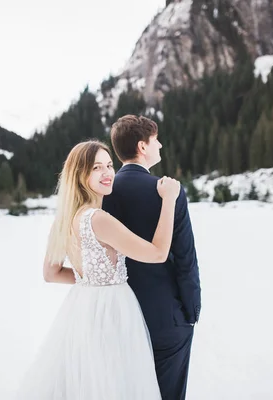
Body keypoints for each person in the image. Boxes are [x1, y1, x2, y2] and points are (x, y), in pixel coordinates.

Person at [18, 140, 181, 399]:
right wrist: (170, 199)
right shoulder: (98, 219)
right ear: (81, 175)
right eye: (97, 168)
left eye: (109, 165)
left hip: (82, 309)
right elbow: (158, 253)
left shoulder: (64, 220)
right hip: (112, 312)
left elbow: (51, 274)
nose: (107, 173)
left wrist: (91, 279)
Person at [102, 115, 202, 400]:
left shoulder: (104, 192)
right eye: (155, 140)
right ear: (142, 147)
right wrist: (191, 311)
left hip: (119, 316)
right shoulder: (167, 191)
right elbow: (185, 258)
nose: (161, 145)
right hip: (165, 318)